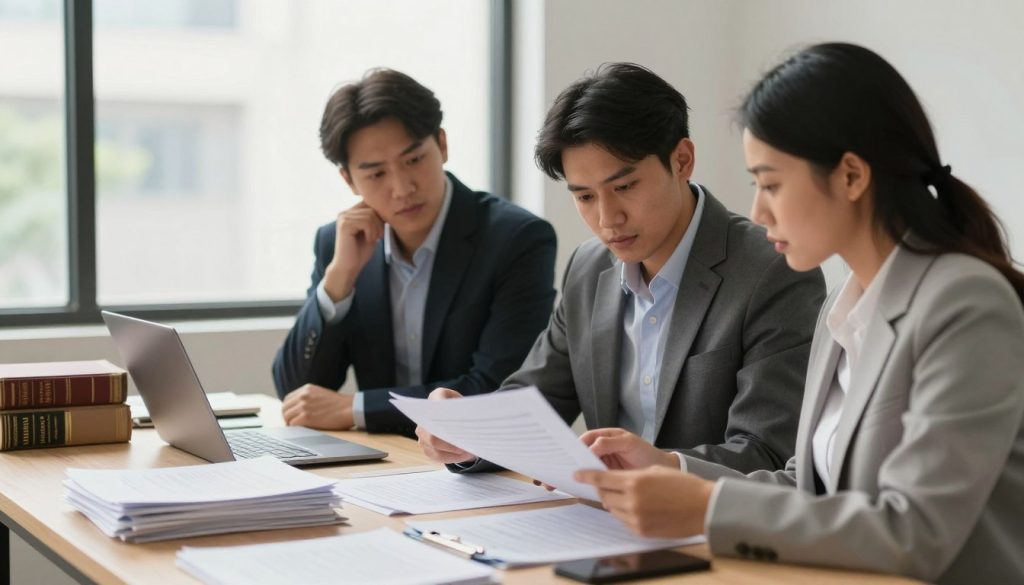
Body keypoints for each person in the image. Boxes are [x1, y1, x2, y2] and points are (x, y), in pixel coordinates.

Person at [574, 43, 1024, 584]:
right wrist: (674, 470)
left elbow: (916, 531)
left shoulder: (966, 303)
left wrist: (704, 508)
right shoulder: (845, 303)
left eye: (771, 184)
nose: (759, 211)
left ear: (851, 176)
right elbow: (809, 489)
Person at [418, 63, 826, 473]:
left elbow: (770, 452)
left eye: (624, 187)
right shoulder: (587, 267)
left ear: (682, 161)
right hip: (602, 523)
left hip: (704, 527)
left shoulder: (772, 270)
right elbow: (533, 406)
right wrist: (467, 431)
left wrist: (664, 468)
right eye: (585, 197)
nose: (607, 218)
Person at [272, 69, 557, 437]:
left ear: (442, 145)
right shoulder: (338, 244)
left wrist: (356, 408)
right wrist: (338, 281)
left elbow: (497, 388)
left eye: (414, 160)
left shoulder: (516, 239)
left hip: (478, 464)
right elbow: (297, 396)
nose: (402, 187)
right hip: (385, 466)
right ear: (349, 180)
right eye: (376, 174)